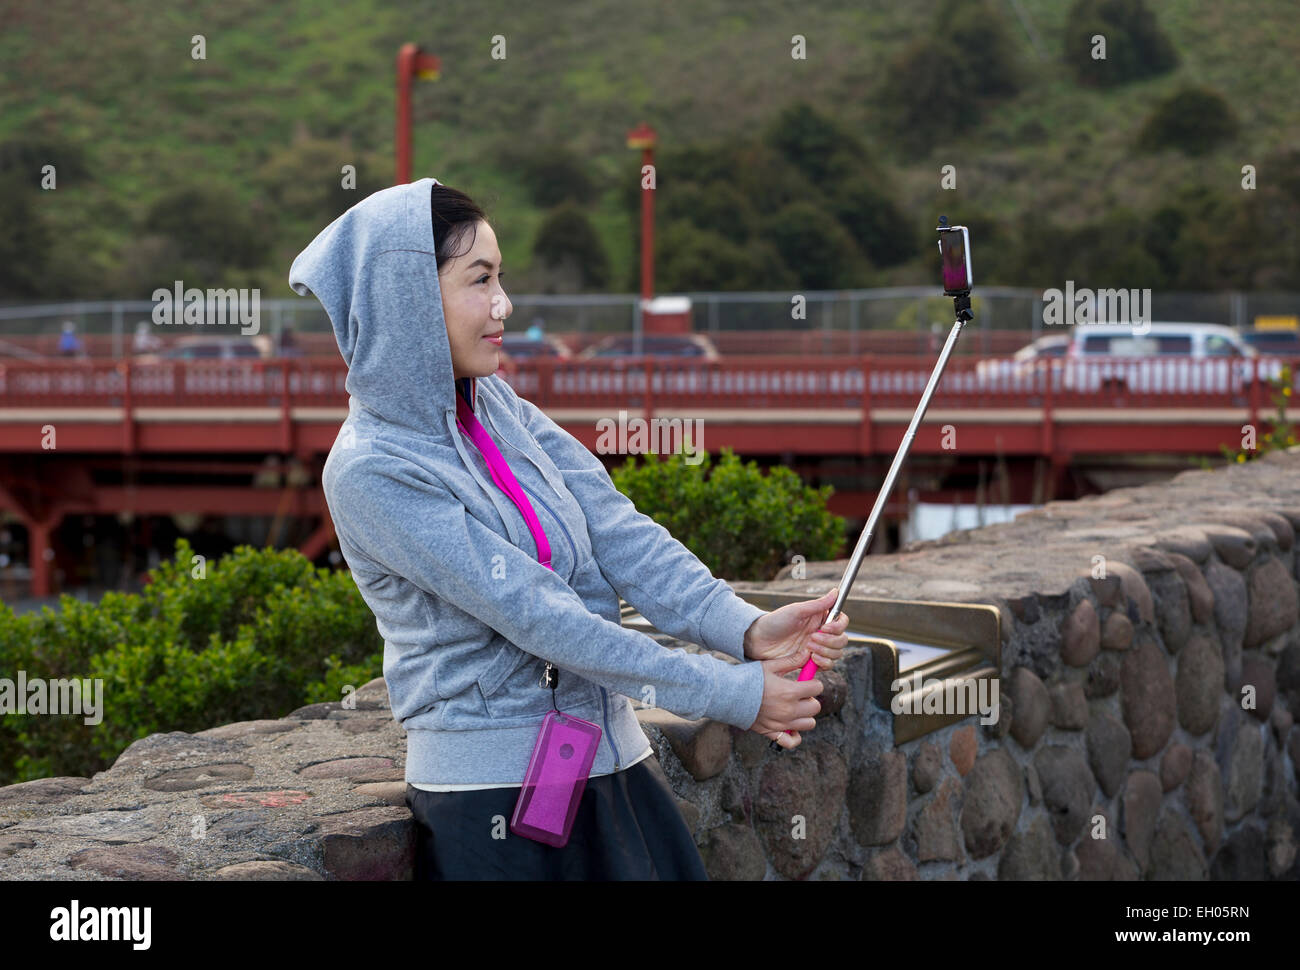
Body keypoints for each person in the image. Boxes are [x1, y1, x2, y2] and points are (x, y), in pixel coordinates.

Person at [288, 177, 849, 881]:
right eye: (480, 280)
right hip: (490, 800)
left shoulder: (496, 404)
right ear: (407, 300)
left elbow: (617, 531)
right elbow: (539, 615)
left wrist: (743, 628)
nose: (504, 304)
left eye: (501, 278)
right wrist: (731, 693)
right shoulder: (371, 468)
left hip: (606, 759)